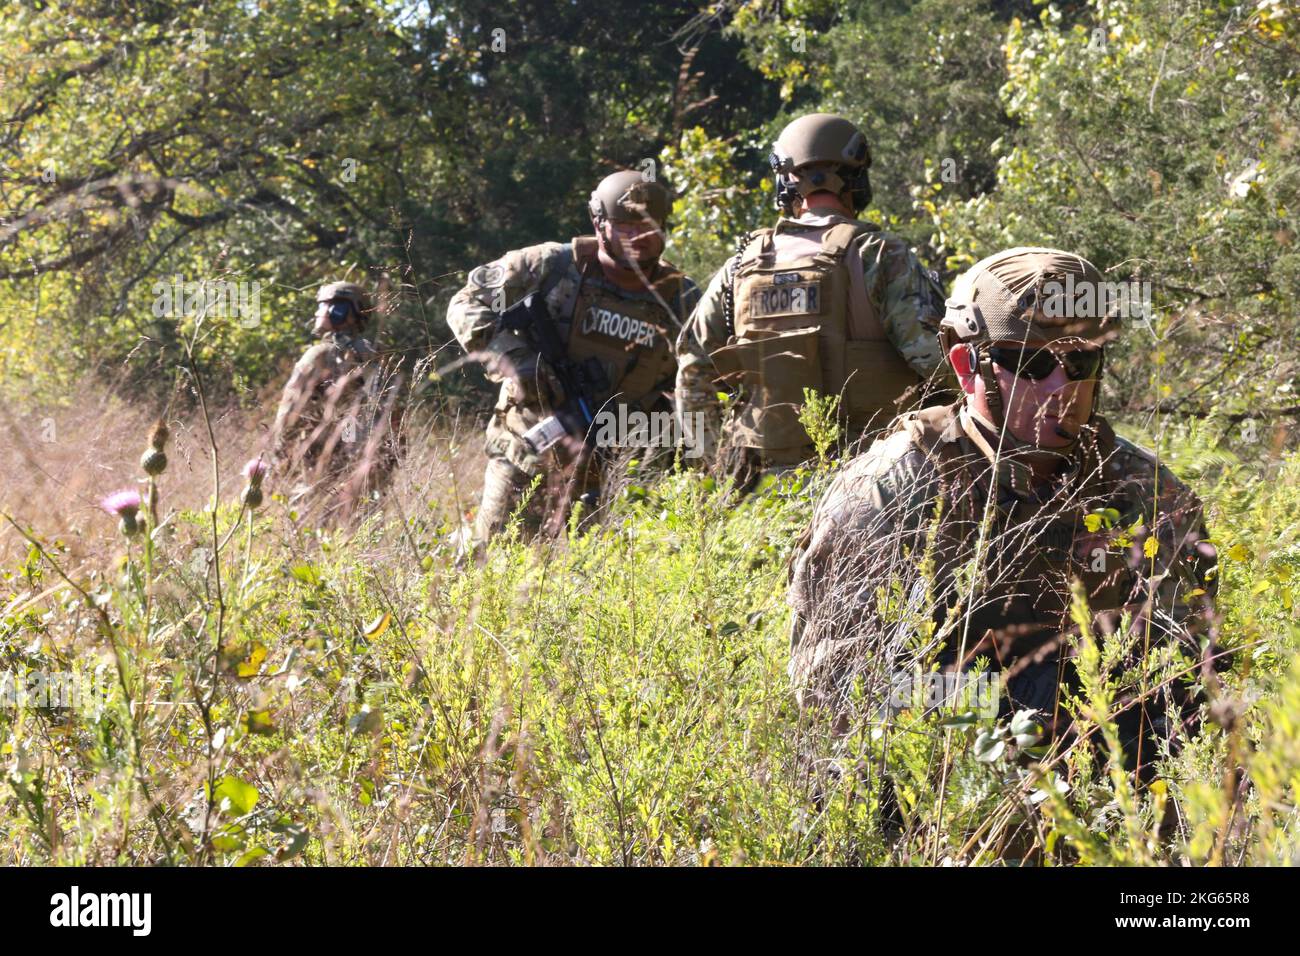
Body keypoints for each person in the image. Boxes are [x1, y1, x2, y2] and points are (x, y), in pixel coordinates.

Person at [786, 247, 1221, 780]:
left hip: (1116, 799)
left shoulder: (1145, 491)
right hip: (943, 799)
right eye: (1031, 362)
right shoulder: (889, 494)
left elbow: (1196, 665)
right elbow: (838, 691)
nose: (1062, 387)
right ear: (966, 364)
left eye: (1080, 361)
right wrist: (1011, 709)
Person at [675, 113, 947, 490]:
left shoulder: (741, 265)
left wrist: (721, 466)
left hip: (765, 490)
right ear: (857, 177)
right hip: (873, 483)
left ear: (785, 182)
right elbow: (935, 359)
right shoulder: (880, 254)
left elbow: (692, 370)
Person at [447, 170, 699, 550]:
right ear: (599, 224)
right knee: (498, 561)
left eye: (648, 227)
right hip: (527, 453)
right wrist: (515, 359)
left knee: (606, 587)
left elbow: (703, 377)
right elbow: (466, 303)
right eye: (625, 226)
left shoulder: (681, 298)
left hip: (617, 470)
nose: (638, 237)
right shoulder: (549, 266)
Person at [269, 280, 403, 518]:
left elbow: (289, 413)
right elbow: (395, 414)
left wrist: (279, 455)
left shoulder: (319, 355)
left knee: (310, 527)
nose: (322, 312)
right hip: (368, 463)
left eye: (329, 306)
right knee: (361, 527)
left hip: (323, 463)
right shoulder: (376, 355)